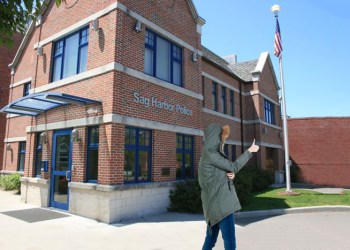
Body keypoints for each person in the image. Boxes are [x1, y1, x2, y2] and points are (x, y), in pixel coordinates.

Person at [198, 124, 259, 250]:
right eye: (221, 138)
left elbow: (219, 175)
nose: (222, 141)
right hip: (221, 204)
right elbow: (233, 166)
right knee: (230, 241)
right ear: (215, 138)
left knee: (210, 240)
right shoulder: (211, 153)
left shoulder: (208, 154)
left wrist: (231, 176)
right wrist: (249, 151)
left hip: (212, 206)